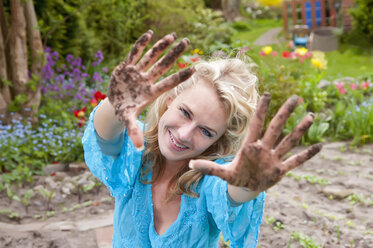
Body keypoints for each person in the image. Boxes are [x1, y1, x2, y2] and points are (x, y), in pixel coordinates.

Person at [82, 30, 322, 248]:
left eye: (206, 131)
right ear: (169, 100)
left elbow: (230, 193)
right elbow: (106, 139)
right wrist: (116, 105)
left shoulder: (208, 179)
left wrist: (248, 184)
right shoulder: (137, 153)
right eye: (185, 113)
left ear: (217, 140)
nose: (184, 134)